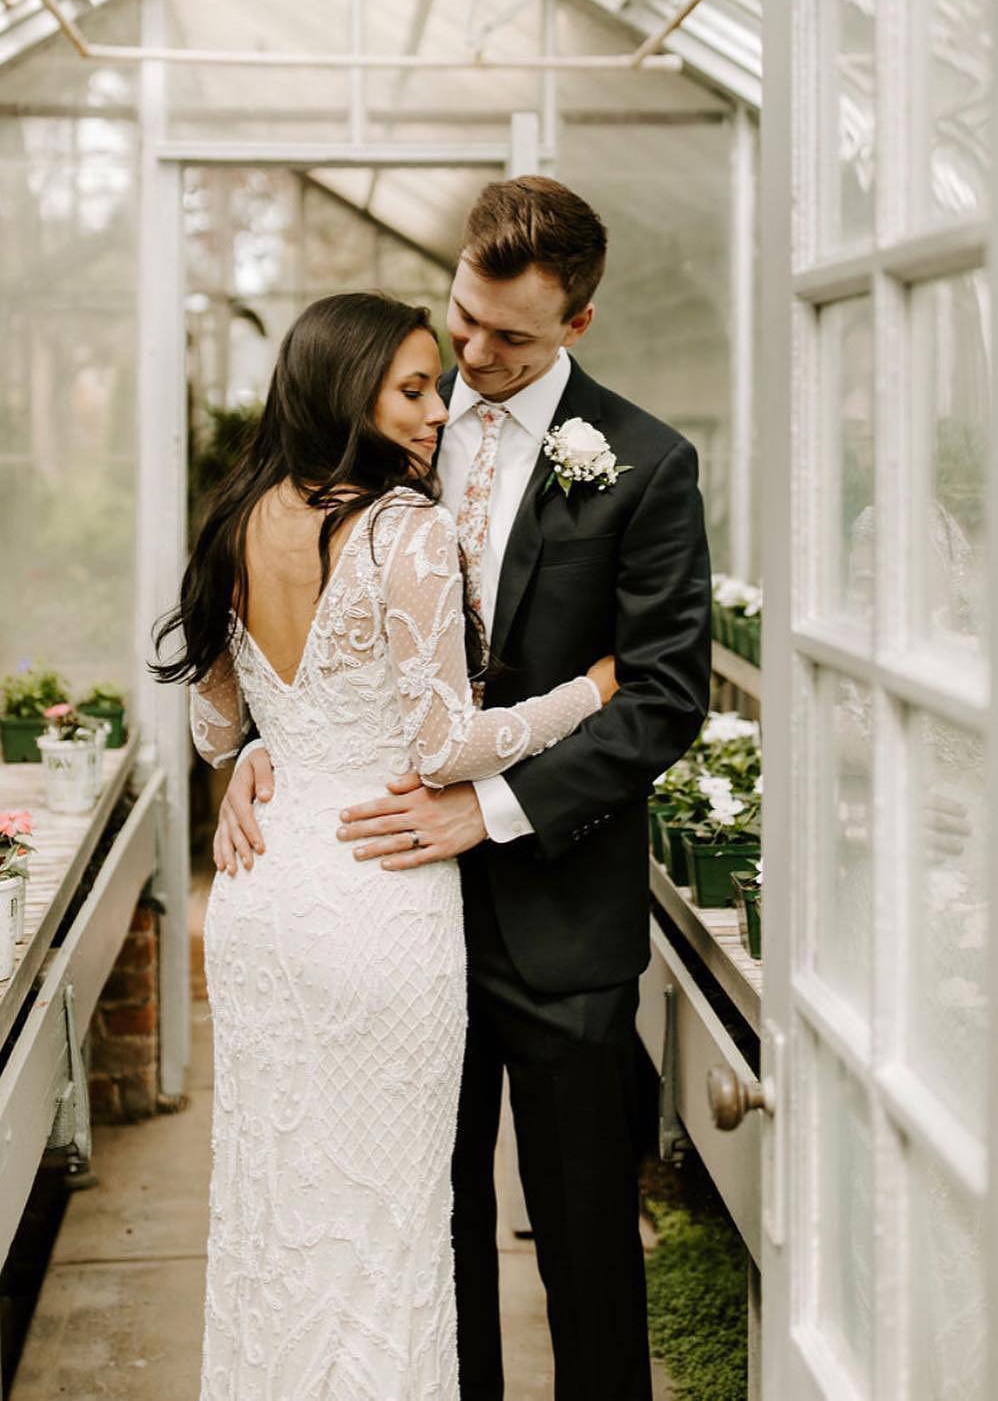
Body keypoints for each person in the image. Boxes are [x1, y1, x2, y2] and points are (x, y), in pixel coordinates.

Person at [218, 178, 714, 1401]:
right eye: (462, 322)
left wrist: (488, 809)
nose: (473, 359)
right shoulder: (388, 440)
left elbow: (662, 695)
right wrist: (256, 748)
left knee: (588, 1249)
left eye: (511, 338)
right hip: (389, 917)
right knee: (422, 1244)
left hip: (558, 920)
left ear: (579, 325)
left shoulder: (643, 464)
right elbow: (302, 634)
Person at [153, 290, 618, 1401]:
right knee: (386, 1220)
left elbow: (218, 724)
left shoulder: (236, 518)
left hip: (266, 896)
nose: (438, 408)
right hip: (379, 896)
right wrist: (585, 693)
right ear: (343, 386)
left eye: (434, 384)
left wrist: (263, 756)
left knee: (277, 1207)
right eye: (413, 387)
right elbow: (447, 741)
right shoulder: (403, 526)